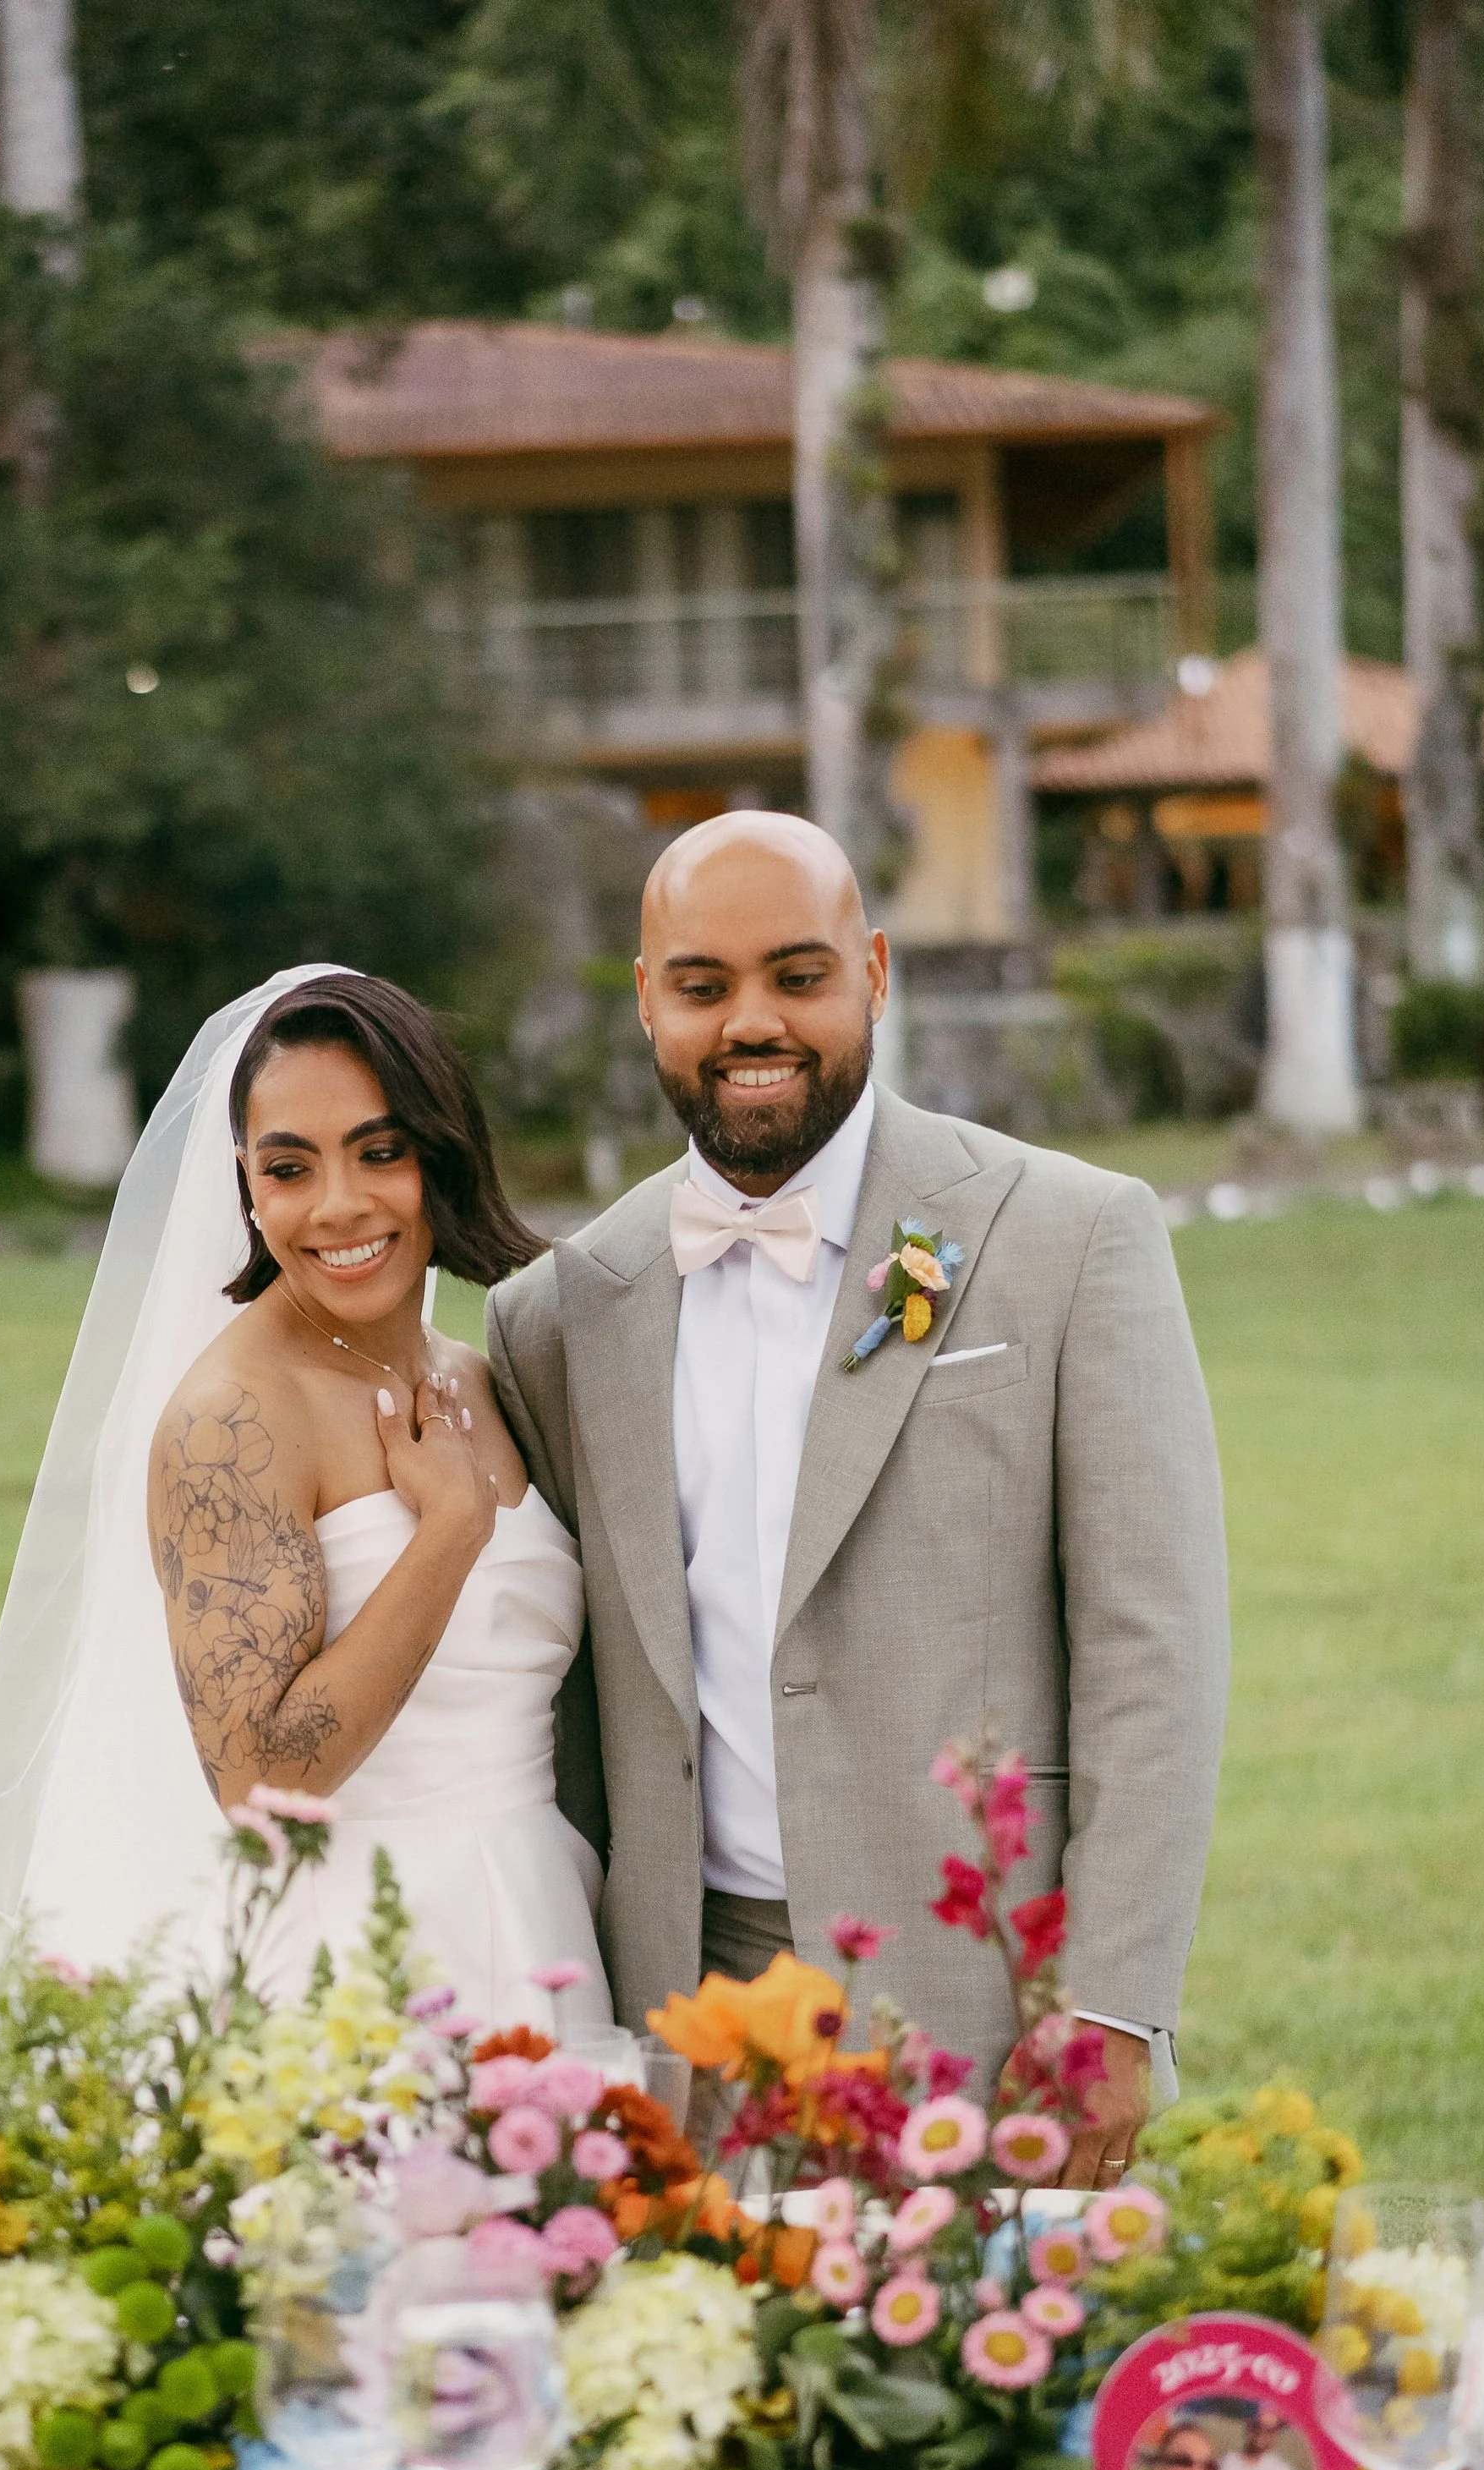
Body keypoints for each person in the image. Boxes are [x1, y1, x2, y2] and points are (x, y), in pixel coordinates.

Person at [485, 811, 1229, 2177]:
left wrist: (1111, 2004)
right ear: (647, 999)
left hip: (987, 1996)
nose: (751, 1021)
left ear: (875, 974)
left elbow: (1154, 1649)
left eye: (798, 974)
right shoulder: (558, 1314)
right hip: (682, 2021)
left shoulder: (1068, 1238)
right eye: (703, 986)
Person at [0, 968, 613, 2035]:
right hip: (354, 1970)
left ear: (438, 1154)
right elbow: (256, 1778)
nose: (339, 1204)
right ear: (246, 1188)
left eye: (378, 1151)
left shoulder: (477, 1374)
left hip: (540, 1917)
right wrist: (445, 1535)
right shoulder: (233, 1419)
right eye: (290, 1167)